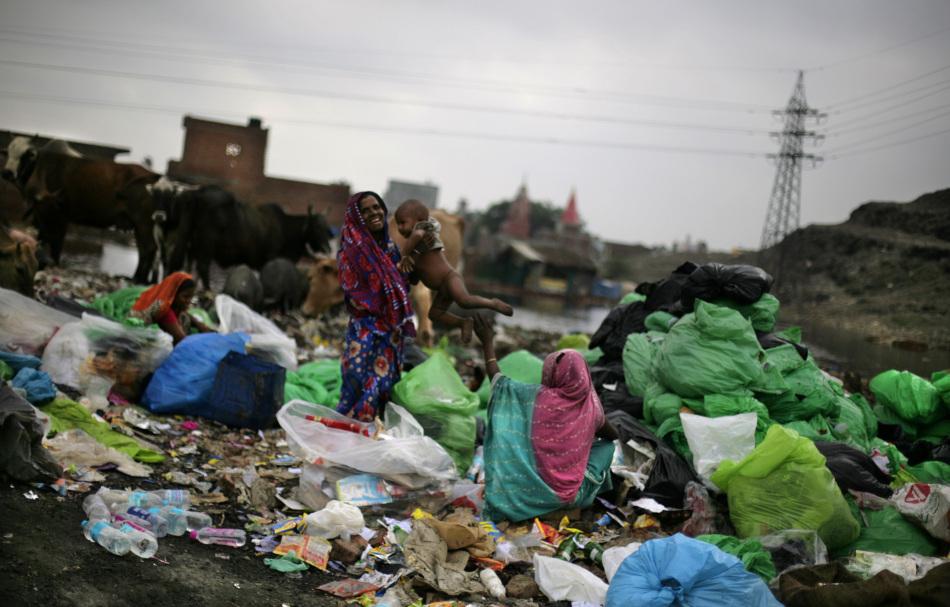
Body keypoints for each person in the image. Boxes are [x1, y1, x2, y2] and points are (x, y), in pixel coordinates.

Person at [475, 315, 618, 522]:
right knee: (606, 448)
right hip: (569, 497)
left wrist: (487, 342)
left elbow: (498, 382)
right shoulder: (592, 408)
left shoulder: (535, 399)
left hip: (528, 493)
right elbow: (612, 436)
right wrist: (581, 437)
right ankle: (590, 501)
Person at [336, 192, 416, 421]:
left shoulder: (390, 248)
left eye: (377, 207)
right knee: (355, 377)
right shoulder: (350, 251)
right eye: (366, 210)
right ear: (357, 217)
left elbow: (402, 286)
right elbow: (355, 293)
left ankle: (372, 433)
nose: (374, 213)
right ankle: (348, 428)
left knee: (382, 385)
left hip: (390, 334)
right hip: (365, 329)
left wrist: (408, 269)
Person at [393, 199, 513, 343]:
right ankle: (463, 323)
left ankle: (492, 303)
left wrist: (404, 257)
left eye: (402, 223)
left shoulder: (420, 234)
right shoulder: (417, 252)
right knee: (435, 314)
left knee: (464, 301)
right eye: (398, 224)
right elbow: (413, 278)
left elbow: (415, 241)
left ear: (418, 221)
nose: (399, 228)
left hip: (449, 279)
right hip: (440, 287)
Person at [130, 271, 212, 344]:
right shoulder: (164, 311)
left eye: (191, 297)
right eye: (185, 296)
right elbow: (183, 341)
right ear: (173, 294)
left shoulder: (169, 304)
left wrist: (199, 324)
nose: (189, 301)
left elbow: (187, 315)